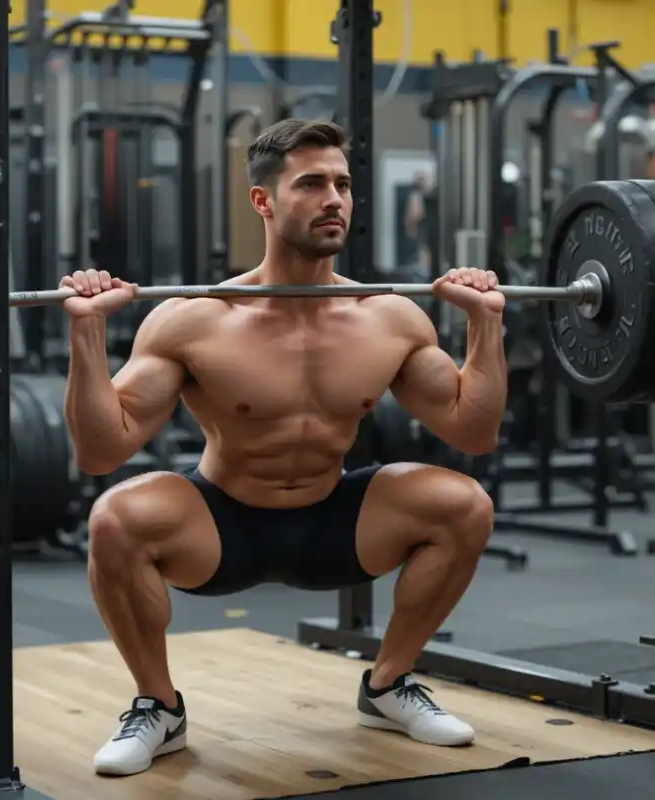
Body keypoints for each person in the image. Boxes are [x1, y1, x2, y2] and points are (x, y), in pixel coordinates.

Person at [61, 119, 505, 778]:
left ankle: (387, 687)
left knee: (464, 505)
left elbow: (473, 430)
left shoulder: (387, 317)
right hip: (222, 526)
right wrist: (88, 336)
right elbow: (102, 450)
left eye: (344, 184)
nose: (335, 199)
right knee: (115, 518)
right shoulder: (197, 319)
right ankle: (159, 707)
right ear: (263, 202)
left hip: (335, 523)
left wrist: (484, 323)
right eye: (313, 184)